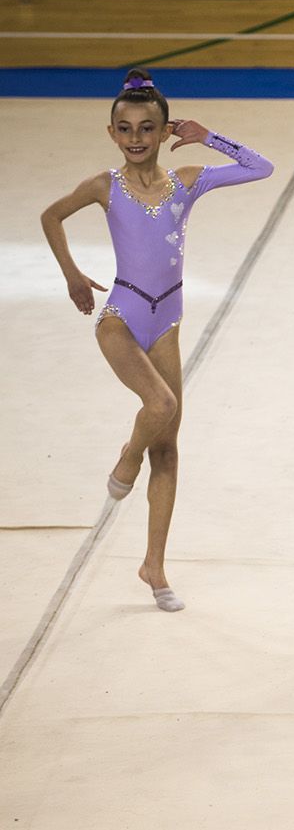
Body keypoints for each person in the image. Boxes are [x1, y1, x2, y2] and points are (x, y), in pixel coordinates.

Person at [39, 68, 275, 613]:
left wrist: (209, 135)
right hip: (121, 318)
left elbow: (261, 168)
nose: (138, 138)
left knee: (167, 447)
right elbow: (52, 215)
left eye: (149, 127)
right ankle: (127, 455)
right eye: (126, 129)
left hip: (167, 324)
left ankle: (154, 565)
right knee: (160, 405)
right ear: (112, 133)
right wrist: (73, 275)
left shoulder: (187, 182)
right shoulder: (106, 186)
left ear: (166, 129)